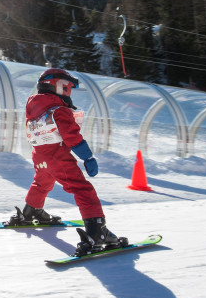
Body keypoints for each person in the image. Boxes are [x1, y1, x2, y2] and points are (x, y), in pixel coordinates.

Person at [10, 68, 125, 256]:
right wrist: (87, 157)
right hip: (58, 157)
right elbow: (72, 137)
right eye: (67, 87)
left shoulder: (34, 111)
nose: (69, 92)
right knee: (82, 189)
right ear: (56, 85)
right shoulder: (59, 110)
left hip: (40, 157)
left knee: (42, 182)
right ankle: (97, 232)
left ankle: (31, 211)